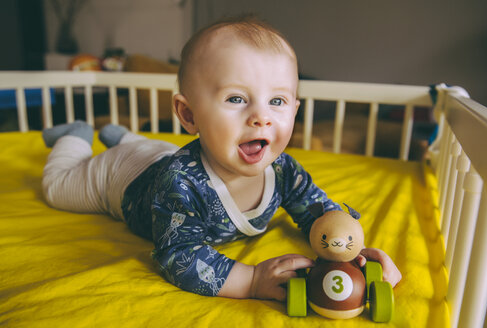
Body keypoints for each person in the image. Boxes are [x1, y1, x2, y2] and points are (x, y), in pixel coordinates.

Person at [42, 16, 401, 301]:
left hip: (163, 155)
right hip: (123, 177)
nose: (261, 117)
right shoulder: (180, 183)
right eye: (236, 99)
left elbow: (318, 212)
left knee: (159, 152)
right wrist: (251, 280)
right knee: (57, 189)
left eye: (276, 102)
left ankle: (120, 135)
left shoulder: (283, 169)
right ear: (189, 115)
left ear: (294, 109)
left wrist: (348, 251)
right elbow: (177, 255)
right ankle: (78, 136)